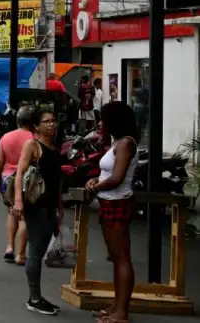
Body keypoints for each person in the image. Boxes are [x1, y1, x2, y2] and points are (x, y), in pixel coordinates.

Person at [86, 102, 139, 323]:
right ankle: (117, 306)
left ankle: (122, 313)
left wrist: (95, 187)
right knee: (116, 259)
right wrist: (95, 180)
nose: (100, 123)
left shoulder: (126, 144)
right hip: (109, 201)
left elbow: (117, 178)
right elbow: (107, 174)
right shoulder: (117, 142)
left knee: (122, 258)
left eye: (103, 119)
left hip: (118, 202)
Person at [13, 107, 64, 316]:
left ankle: (37, 296)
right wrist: (18, 201)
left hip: (51, 205)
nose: (51, 124)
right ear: (36, 126)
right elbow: (20, 173)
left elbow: (57, 180)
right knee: (35, 250)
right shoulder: (32, 145)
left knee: (40, 249)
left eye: (53, 121)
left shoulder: (55, 147)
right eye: (46, 121)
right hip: (36, 205)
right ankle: (34, 298)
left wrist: (60, 206)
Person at [0, 105, 36, 265]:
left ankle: (9, 247)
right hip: (28, 179)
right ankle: (21, 254)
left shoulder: (6, 137)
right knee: (25, 216)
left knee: (11, 212)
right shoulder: (35, 139)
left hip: (7, 178)